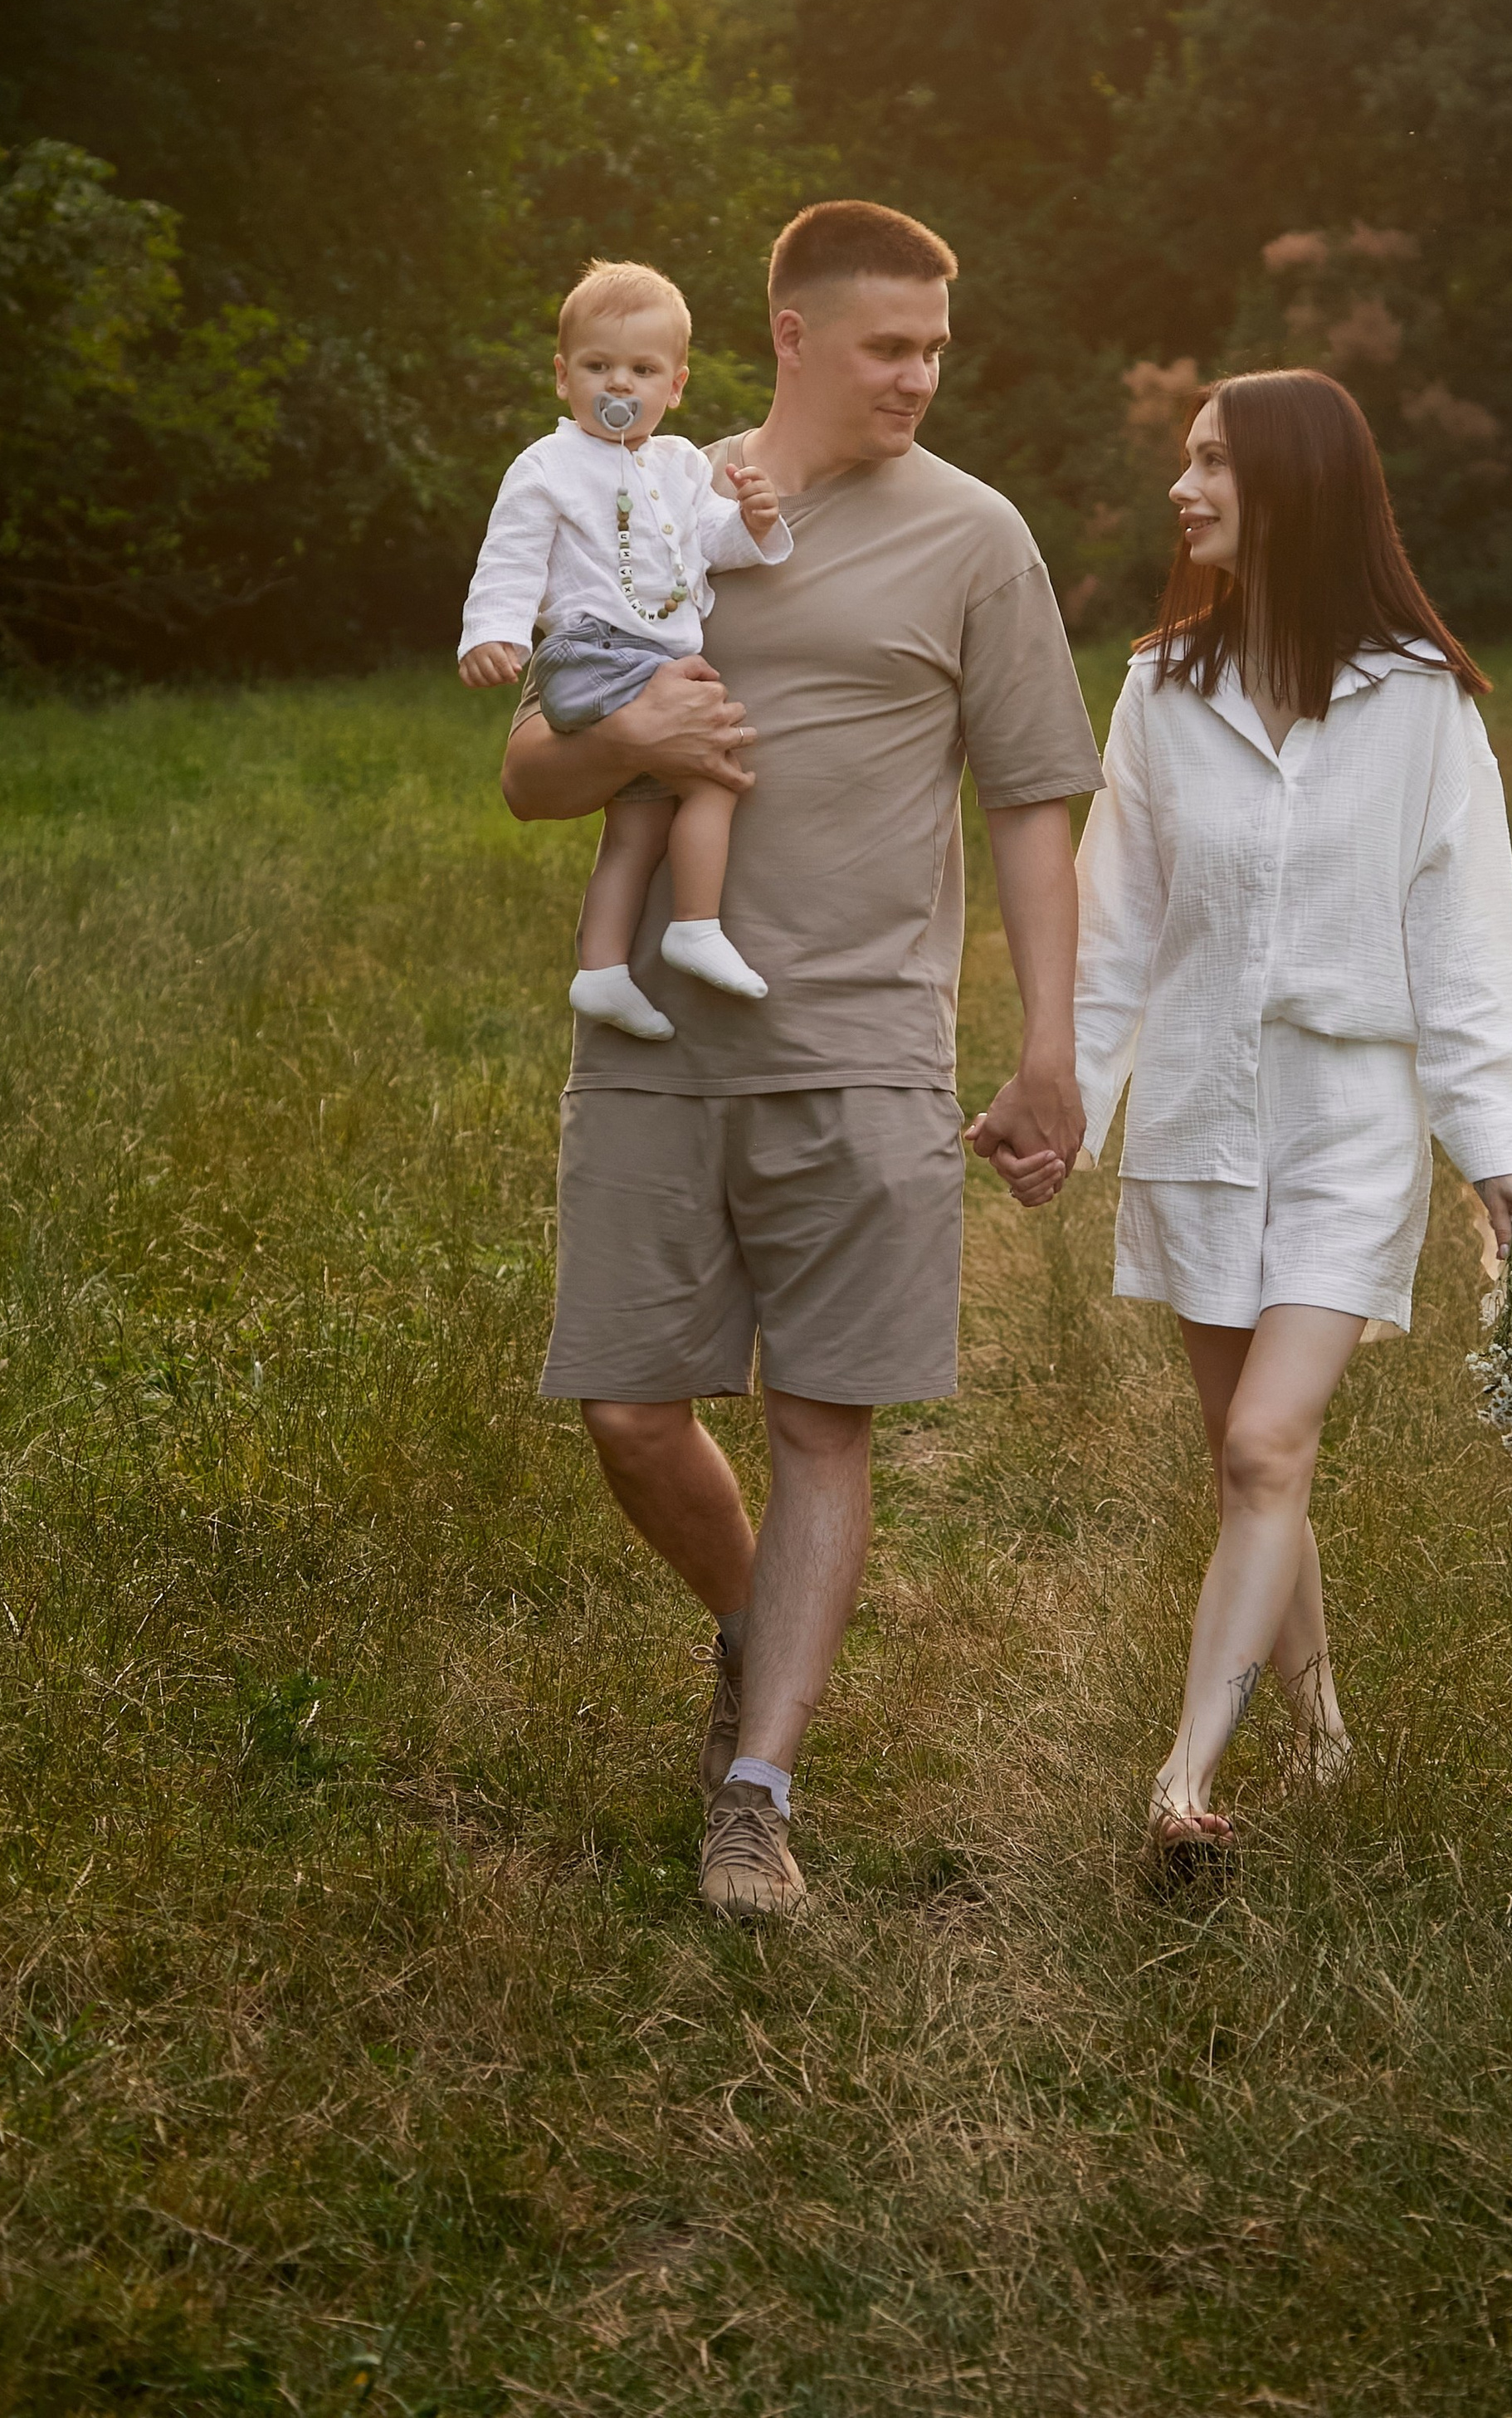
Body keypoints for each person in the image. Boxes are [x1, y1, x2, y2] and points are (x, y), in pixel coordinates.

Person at [498, 200, 1102, 1920]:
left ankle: (755, 1793)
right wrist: (626, 730)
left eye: (933, 349)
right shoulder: (648, 502)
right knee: (628, 1410)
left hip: (859, 1043)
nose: (918, 377)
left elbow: (1033, 809)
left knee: (819, 1419)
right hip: (654, 1046)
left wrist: (1046, 1048)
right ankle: (758, 1632)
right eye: (886, 347)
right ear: (790, 338)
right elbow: (531, 776)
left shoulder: (978, 540)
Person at [1072, 369, 1512, 1868]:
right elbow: (1115, 927)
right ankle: (1327, 1736)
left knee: (1273, 1441)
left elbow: (1471, 936)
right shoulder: (1162, 691)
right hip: (1204, 1114)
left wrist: (1498, 1153)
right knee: (1249, 1461)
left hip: (1349, 1122)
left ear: (1295, 487)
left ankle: (1184, 1783)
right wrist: (1065, 1110)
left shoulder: (1420, 703)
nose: (1183, 487)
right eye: (1185, 458)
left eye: (1212, 462)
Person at [459, 261, 790, 1038]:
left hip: (644, 667)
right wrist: (494, 635)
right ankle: (695, 927)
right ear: (562, 377)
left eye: (642, 370)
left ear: (675, 385)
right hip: (592, 656)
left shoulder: (679, 463)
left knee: (637, 826)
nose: (619, 385)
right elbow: (510, 555)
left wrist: (757, 521)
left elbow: (715, 543)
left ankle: (601, 971)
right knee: (714, 774)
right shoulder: (547, 465)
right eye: (597, 366)